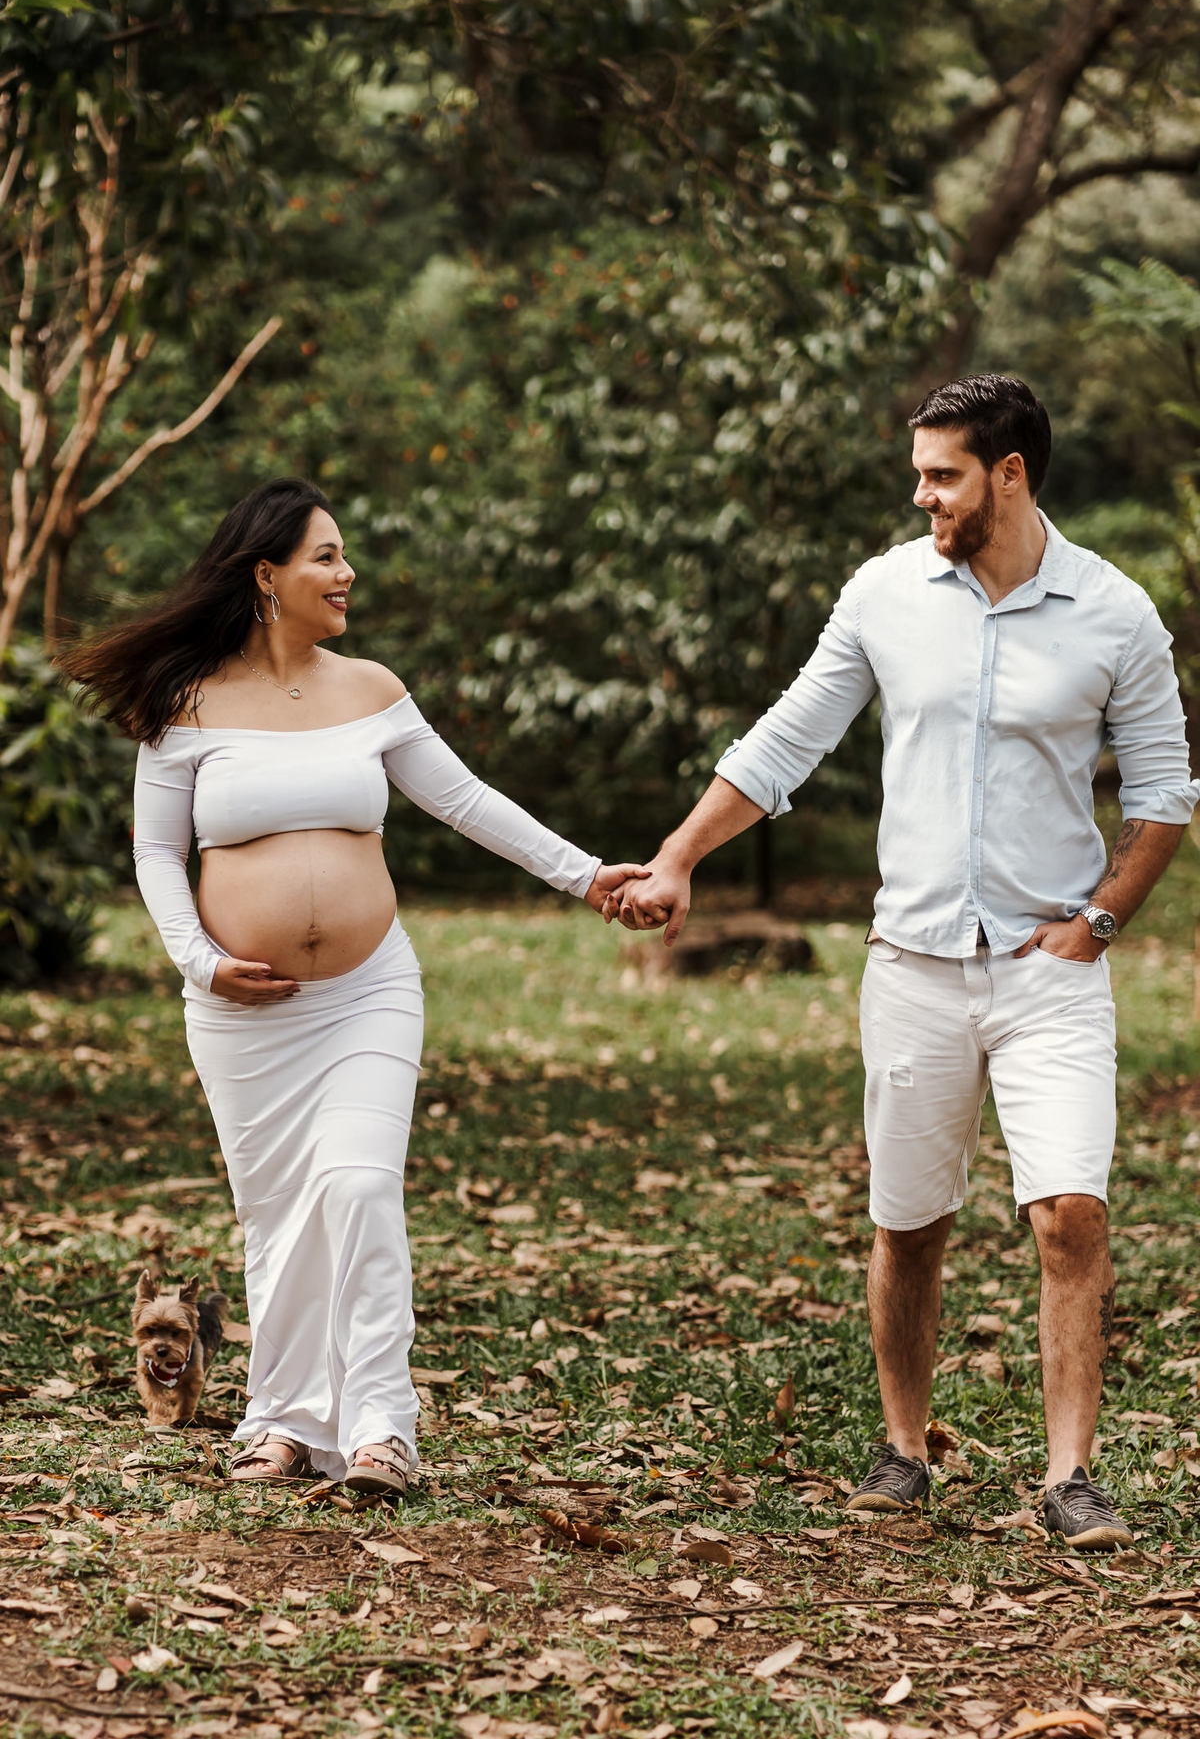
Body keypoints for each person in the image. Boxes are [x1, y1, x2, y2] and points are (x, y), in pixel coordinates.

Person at [608, 375, 1198, 1551]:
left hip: (1051, 967)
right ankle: (902, 1450)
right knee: (909, 1223)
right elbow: (788, 740)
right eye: (921, 472)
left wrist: (1103, 920)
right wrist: (679, 856)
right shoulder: (885, 593)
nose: (921, 492)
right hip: (915, 962)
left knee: (1071, 1214)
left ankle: (1071, 1477)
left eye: (943, 474)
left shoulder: (1114, 611)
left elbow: (1166, 789)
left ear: (1010, 474)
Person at [63, 478, 645, 1493]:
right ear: (266, 576)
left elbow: (467, 801)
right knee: (279, 1214)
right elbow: (156, 853)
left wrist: (587, 875)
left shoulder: (370, 689)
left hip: (368, 992)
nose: (346, 573)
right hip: (243, 1015)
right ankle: (281, 1422)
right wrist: (197, 958)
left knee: (362, 1186)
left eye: (343, 555)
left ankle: (382, 1424)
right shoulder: (186, 703)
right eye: (326, 556)